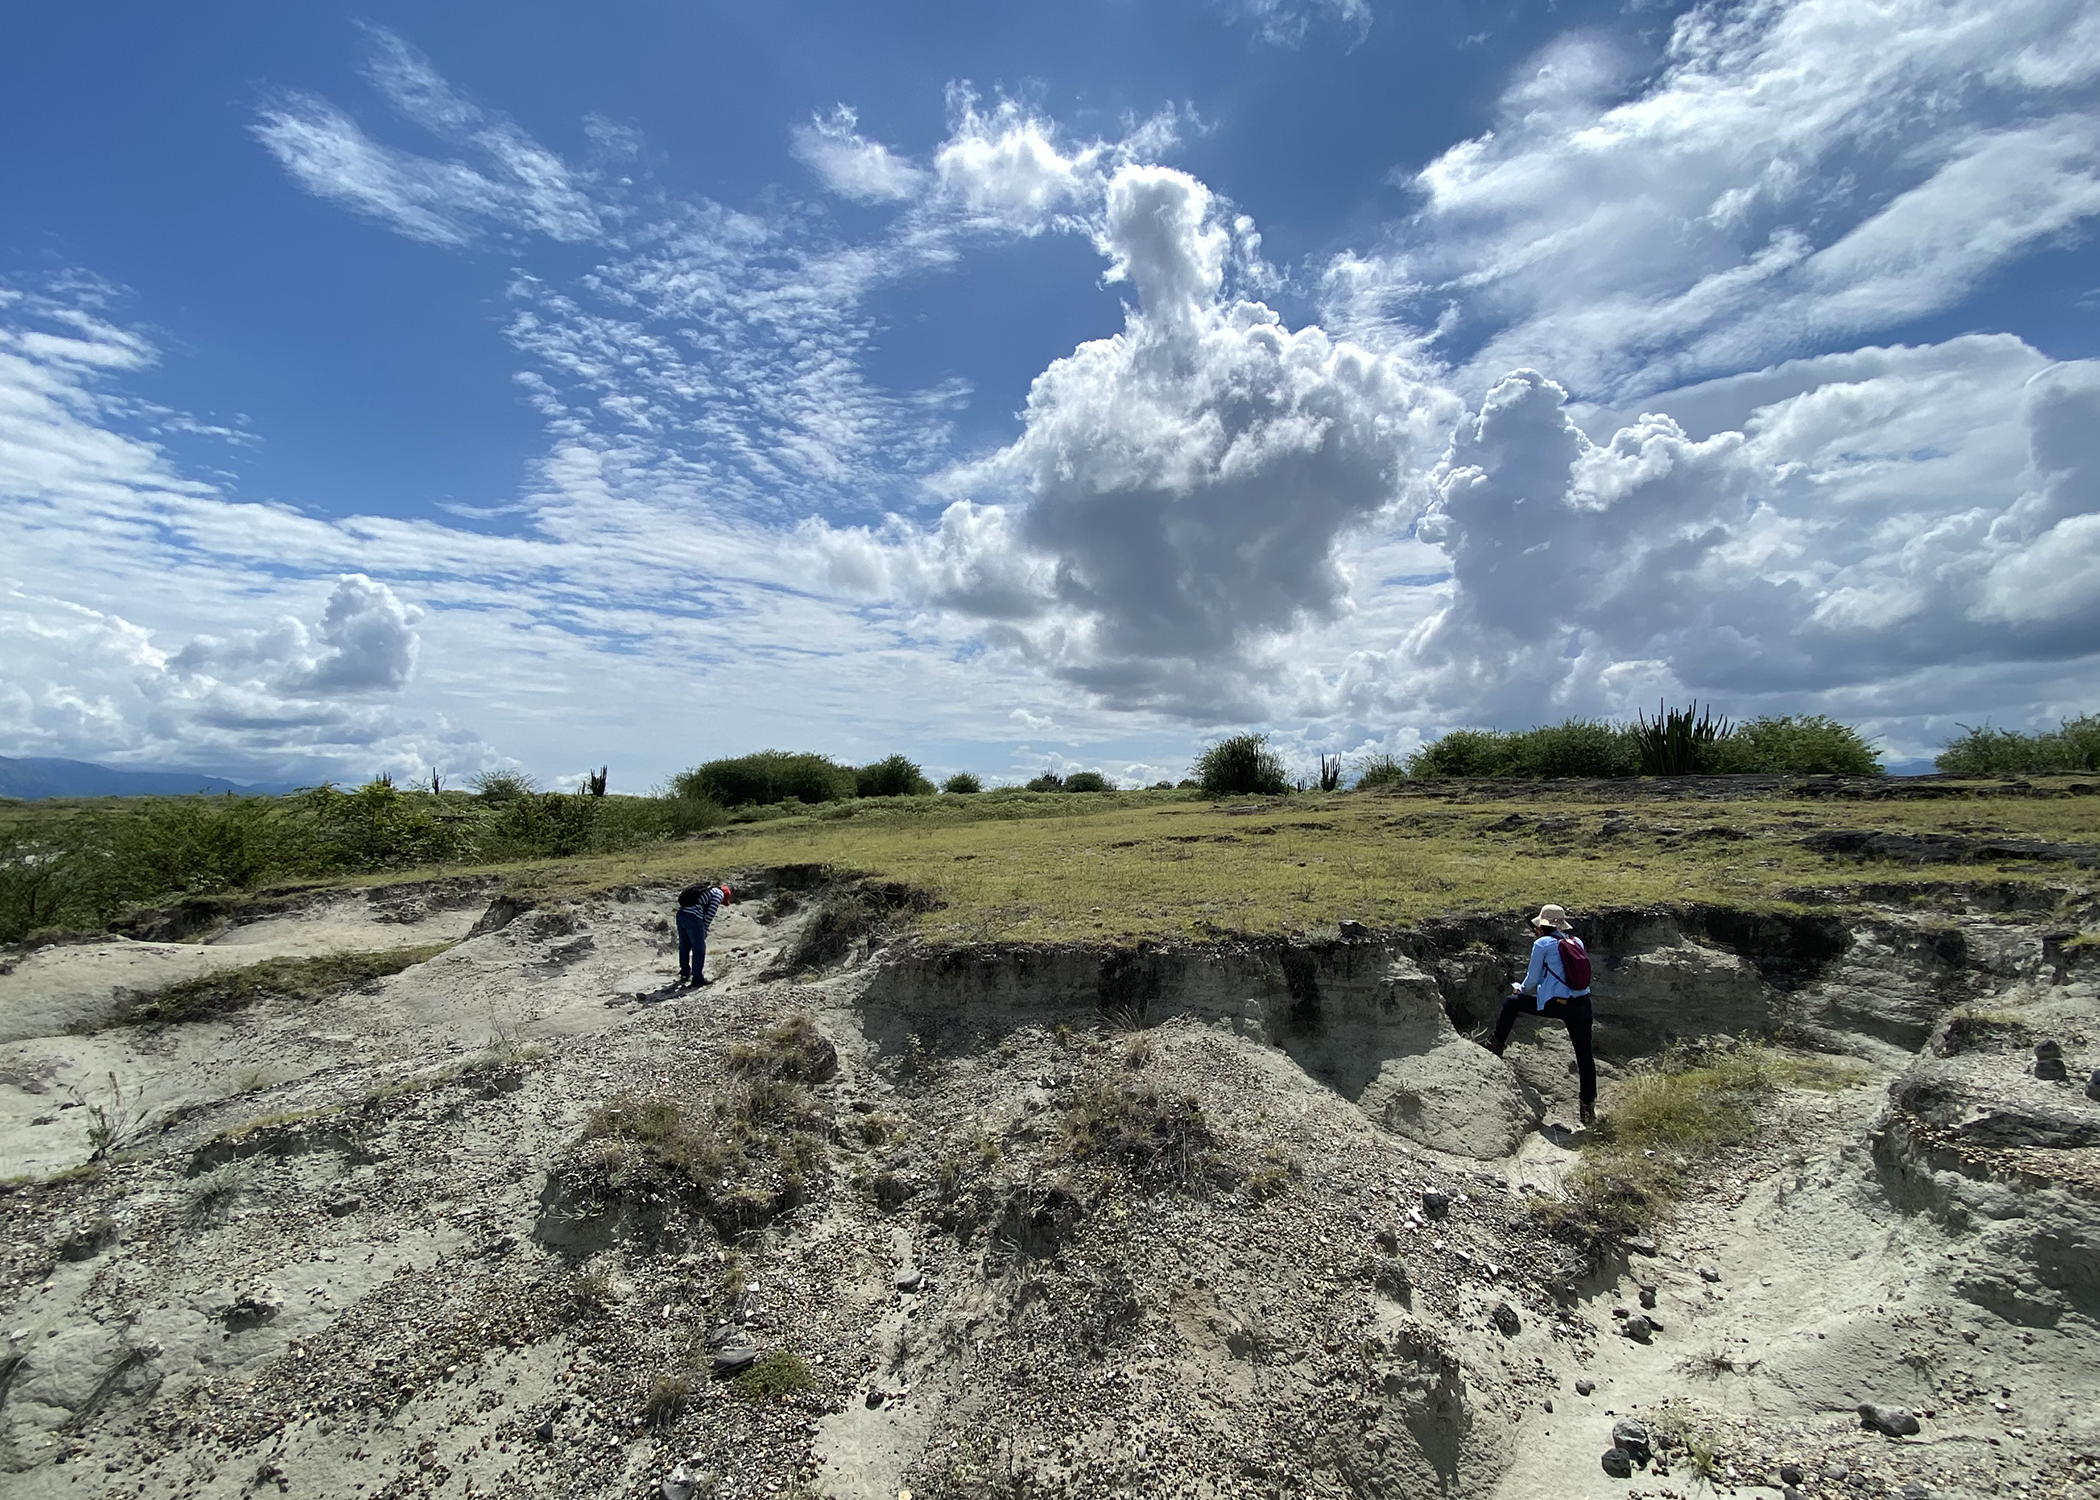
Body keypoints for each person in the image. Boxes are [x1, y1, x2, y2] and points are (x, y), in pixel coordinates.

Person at [1484, 903, 1598, 1126]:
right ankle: (1587, 1107)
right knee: (1585, 1055)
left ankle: (1496, 1045)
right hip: (1582, 1004)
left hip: (1558, 1004)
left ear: (1541, 926)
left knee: (1511, 1003)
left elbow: (1533, 979)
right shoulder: (1576, 941)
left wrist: (1521, 989)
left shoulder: (1542, 944)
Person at [675, 881, 731, 988]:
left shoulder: (707, 890)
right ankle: (697, 979)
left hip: (681, 914)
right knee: (699, 948)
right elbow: (710, 913)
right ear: (725, 896)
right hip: (693, 917)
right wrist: (704, 930)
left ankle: (684, 973)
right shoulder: (719, 894)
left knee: (684, 946)